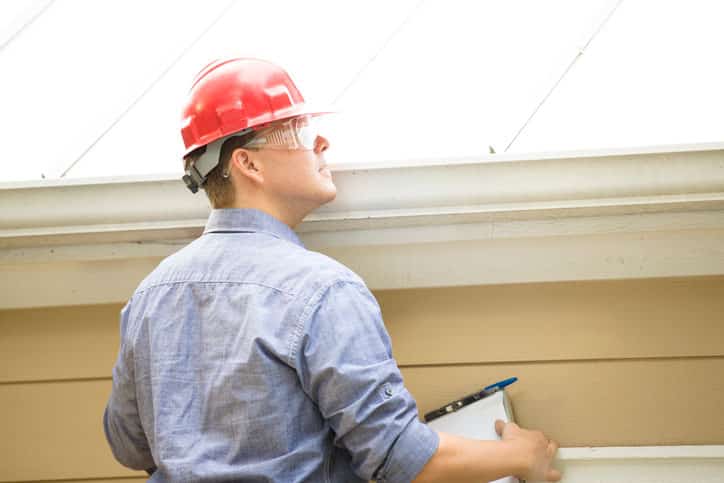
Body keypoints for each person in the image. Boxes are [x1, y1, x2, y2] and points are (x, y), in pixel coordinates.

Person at [103, 57, 561, 483]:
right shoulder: (321, 290)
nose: (321, 142)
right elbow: (398, 456)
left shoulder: (149, 296)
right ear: (248, 163)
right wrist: (524, 455)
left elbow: (127, 445)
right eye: (299, 131)